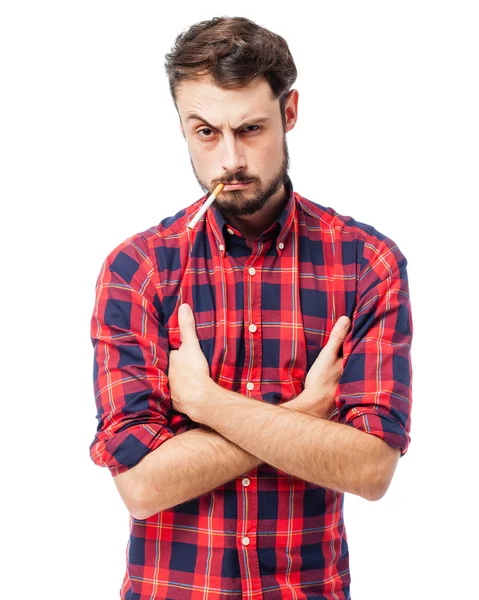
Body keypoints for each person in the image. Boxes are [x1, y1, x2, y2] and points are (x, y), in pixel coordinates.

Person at [89, 16, 413, 600]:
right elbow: (140, 485)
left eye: (251, 128)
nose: (230, 160)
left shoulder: (367, 264)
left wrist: (205, 404)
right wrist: (302, 412)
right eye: (206, 132)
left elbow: (371, 469)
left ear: (289, 114)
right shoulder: (137, 272)